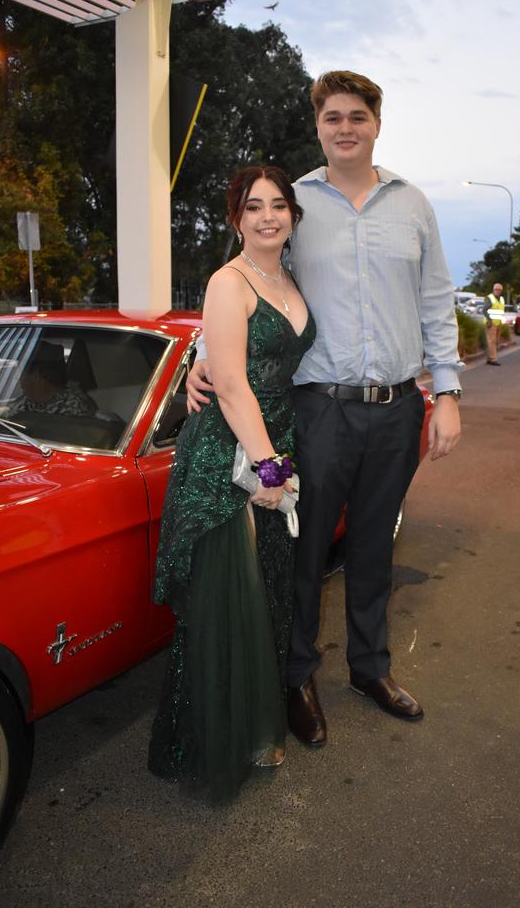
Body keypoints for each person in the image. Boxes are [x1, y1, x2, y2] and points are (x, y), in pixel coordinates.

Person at [187, 71, 462, 748]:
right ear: (318, 126)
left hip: (400, 409)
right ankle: (298, 678)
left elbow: (436, 300)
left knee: (374, 549)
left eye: (357, 116)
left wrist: (448, 392)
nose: (345, 127)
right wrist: (202, 347)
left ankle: (371, 669)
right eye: (332, 117)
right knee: (309, 553)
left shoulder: (413, 204)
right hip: (322, 411)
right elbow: (255, 272)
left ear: (376, 123)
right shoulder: (296, 204)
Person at [148, 166, 315, 801]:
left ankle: (251, 727)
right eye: (253, 207)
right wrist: (269, 468)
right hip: (229, 461)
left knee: (265, 597)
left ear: (292, 217)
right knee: (226, 607)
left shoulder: (287, 279)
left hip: (274, 447)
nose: (267, 216)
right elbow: (236, 384)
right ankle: (206, 746)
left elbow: (226, 356)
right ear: (235, 218)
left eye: (278, 206)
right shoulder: (229, 280)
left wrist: (278, 459)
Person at [8, 340, 96, 417]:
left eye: (21, 373)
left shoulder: (73, 406)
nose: (18, 379)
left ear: (37, 375)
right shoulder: (24, 402)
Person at [482, 282, 505, 365]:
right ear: (493, 289)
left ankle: (489, 358)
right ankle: (493, 359)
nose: (498, 291)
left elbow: (501, 311)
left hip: (498, 323)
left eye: (500, 290)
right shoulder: (489, 298)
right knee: (491, 341)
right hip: (491, 323)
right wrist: (489, 320)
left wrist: (502, 322)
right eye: (496, 289)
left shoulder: (501, 299)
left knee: (495, 341)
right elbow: (484, 310)